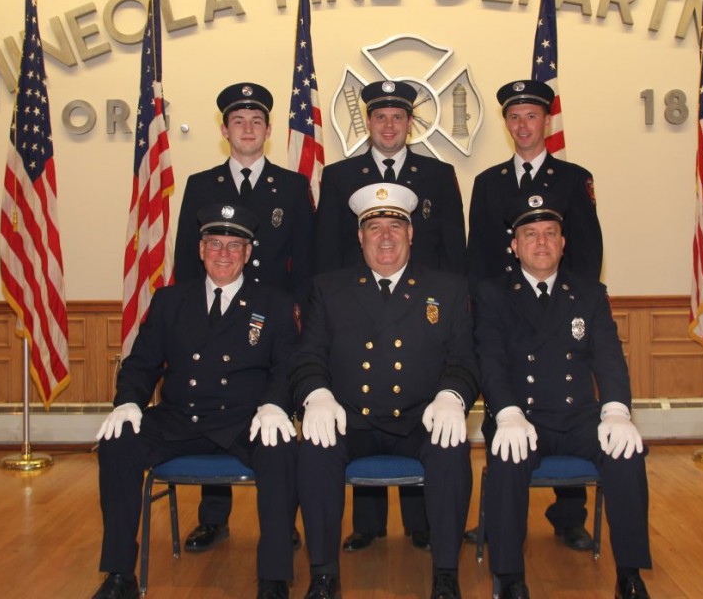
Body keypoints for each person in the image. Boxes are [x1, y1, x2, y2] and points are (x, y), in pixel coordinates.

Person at [91, 204, 299, 599]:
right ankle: (119, 574)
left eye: (234, 246)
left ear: (248, 253)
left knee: (282, 448)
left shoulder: (273, 303)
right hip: (179, 418)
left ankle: (274, 579)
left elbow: (286, 366)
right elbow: (141, 363)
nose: (224, 253)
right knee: (117, 441)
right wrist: (128, 402)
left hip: (243, 421)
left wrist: (275, 405)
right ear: (201, 249)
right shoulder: (170, 301)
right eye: (215, 244)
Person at [293, 183, 478, 599]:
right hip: (352, 420)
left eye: (395, 225)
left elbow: (464, 359)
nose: (386, 236)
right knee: (315, 449)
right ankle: (323, 575)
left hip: (419, 419)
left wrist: (452, 396)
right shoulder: (329, 289)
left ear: (411, 233)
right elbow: (308, 356)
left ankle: (446, 574)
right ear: (360, 236)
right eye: (374, 227)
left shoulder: (447, 289)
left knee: (451, 449)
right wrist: (316, 394)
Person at [313, 80, 468, 552]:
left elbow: (453, 252)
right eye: (380, 117)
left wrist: (449, 311)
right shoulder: (339, 176)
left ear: (409, 123)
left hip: (424, 312)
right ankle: (368, 525)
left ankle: (423, 525)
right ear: (368, 122)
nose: (388, 125)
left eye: (398, 117)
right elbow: (328, 253)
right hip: (356, 311)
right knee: (362, 399)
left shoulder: (438, 175)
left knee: (417, 403)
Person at [473, 194, 651, 599]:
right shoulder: (492, 294)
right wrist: (506, 412)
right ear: (514, 245)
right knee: (507, 457)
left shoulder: (588, 294)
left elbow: (608, 357)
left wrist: (617, 410)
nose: (541, 242)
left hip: (577, 419)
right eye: (530, 234)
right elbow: (490, 360)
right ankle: (509, 577)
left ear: (563, 243)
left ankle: (629, 574)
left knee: (626, 454)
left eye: (550, 233)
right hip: (521, 417)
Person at [173, 82, 313, 553]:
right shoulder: (200, 185)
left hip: (271, 325)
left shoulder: (291, 187)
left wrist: (298, 318)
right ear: (225, 130)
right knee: (212, 407)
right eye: (238, 121)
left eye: (256, 121)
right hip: (213, 320)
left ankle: (282, 520)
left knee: (278, 417)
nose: (247, 129)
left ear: (269, 130)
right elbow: (186, 262)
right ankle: (213, 518)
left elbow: (305, 262)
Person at [465, 79, 603, 551]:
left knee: (570, 406)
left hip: (561, 319)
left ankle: (569, 517)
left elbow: (587, 254)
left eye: (531, 116)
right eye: (514, 117)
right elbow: (479, 257)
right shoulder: (488, 183)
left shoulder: (573, 179)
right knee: (503, 414)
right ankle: (498, 517)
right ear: (505, 122)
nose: (523, 125)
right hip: (505, 320)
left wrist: (576, 314)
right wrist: (482, 317)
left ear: (546, 120)